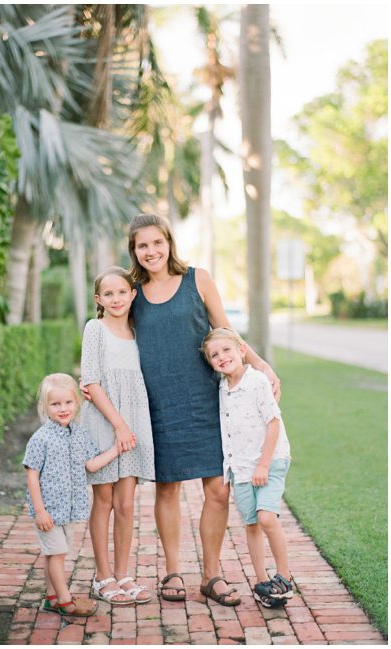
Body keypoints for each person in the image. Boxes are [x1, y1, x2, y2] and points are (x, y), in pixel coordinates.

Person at [124, 213, 279, 607]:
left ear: (169, 242)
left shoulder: (198, 279)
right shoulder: (131, 292)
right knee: (168, 488)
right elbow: (115, 340)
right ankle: (172, 570)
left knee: (218, 490)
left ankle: (212, 575)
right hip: (157, 403)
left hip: (206, 401)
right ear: (134, 251)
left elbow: (225, 331)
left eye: (157, 243)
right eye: (142, 246)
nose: (151, 251)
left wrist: (259, 364)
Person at [201, 328, 294, 608]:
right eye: (214, 355)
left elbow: (273, 423)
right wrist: (230, 468)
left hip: (268, 461)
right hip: (240, 469)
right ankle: (262, 581)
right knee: (251, 523)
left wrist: (263, 464)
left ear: (242, 350)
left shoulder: (256, 381)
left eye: (226, 350)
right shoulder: (222, 388)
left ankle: (285, 576)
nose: (221, 357)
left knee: (267, 518)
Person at [79, 267, 155, 606]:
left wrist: (130, 426)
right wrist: (119, 426)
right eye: (108, 294)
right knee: (105, 500)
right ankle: (103, 576)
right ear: (98, 299)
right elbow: (91, 382)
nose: (116, 299)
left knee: (126, 503)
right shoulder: (95, 329)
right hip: (104, 420)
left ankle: (124, 574)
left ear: (133, 294)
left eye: (122, 292)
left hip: (135, 420)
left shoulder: (140, 331)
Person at [23, 373, 120, 619]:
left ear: (77, 403)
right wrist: (40, 510)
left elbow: (92, 464)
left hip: (69, 510)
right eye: (55, 404)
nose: (63, 408)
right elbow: (32, 475)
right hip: (49, 511)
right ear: (45, 407)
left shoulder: (79, 434)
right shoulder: (41, 438)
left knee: (55, 554)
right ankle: (66, 601)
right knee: (57, 555)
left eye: (67, 402)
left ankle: (51, 598)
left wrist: (116, 449)